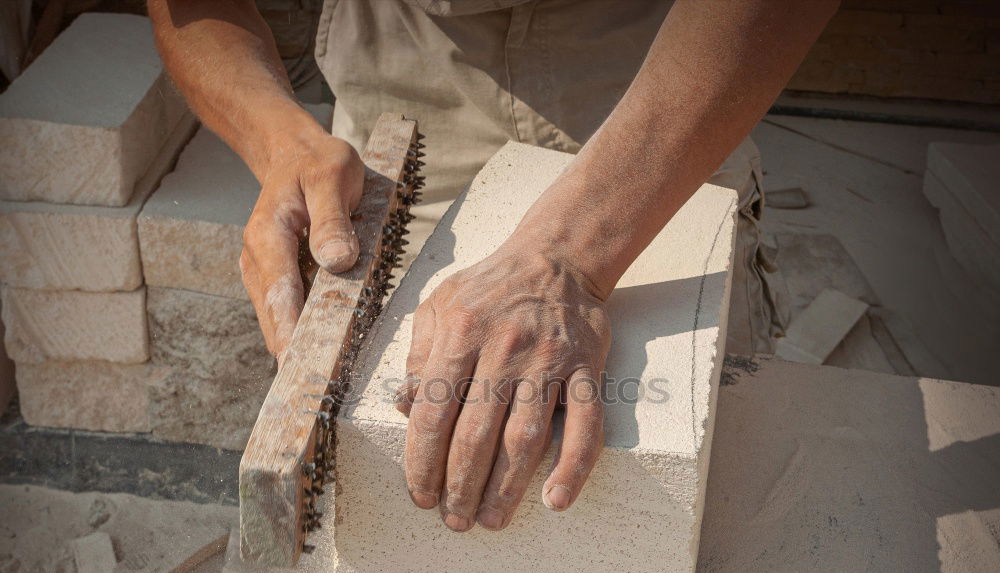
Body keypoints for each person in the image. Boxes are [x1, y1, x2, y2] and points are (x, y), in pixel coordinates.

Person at [150, 0, 838, 532]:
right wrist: (278, 141)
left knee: (699, 465)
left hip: (659, 62)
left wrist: (568, 254)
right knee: (409, 427)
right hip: (405, 55)